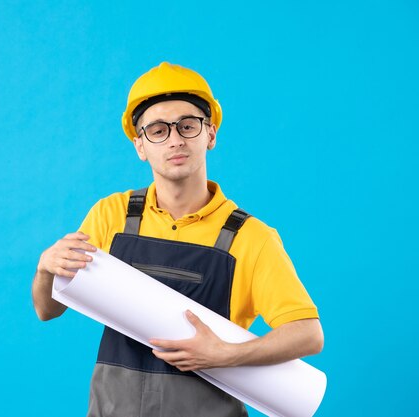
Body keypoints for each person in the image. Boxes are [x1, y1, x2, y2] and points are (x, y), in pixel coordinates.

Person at [32, 62, 324, 417]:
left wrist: (227, 354)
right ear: (140, 145)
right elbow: (48, 310)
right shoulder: (112, 215)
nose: (175, 139)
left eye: (188, 126)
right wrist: (46, 268)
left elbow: (308, 334)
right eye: (157, 130)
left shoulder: (250, 238)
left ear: (210, 134)